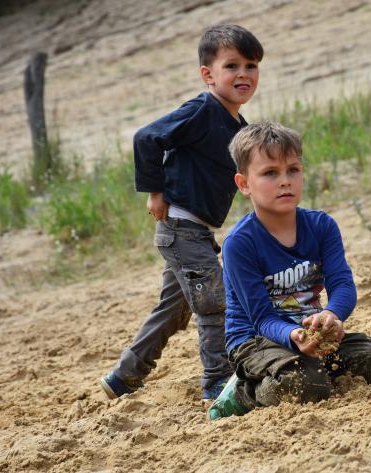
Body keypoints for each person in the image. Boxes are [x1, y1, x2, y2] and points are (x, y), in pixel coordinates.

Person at [100, 24, 264, 401]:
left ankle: (123, 377)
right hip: (180, 227)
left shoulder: (240, 127)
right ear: (208, 74)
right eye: (232, 66)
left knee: (173, 311)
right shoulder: (201, 110)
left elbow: (249, 176)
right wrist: (155, 191)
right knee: (214, 303)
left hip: (197, 231)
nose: (243, 74)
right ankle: (218, 387)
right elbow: (146, 137)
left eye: (251, 66)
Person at [208, 122, 371, 420]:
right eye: (270, 173)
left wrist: (332, 314)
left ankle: (312, 368)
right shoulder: (240, 244)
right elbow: (261, 318)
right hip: (256, 339)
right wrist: (295, 335)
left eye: (293, 170)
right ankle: (243, 393)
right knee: (304, 386)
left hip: (310, 332)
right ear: (244, 183)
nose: (285, 181)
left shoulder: (322, 226)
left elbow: (342, 285)